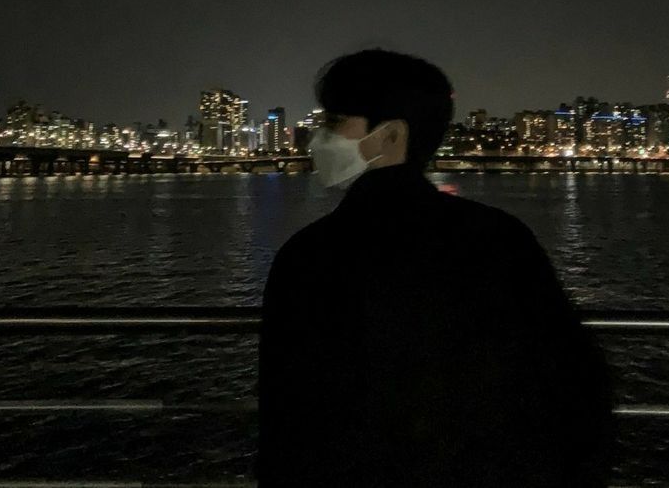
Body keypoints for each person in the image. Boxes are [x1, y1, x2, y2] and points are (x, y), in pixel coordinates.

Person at [256, 49, 615, 487]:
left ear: (389, 136)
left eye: (334, 123)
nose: (315, 138)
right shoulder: (500, 238)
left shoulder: (311, 255)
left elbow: (287, 413)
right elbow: (573, 377)